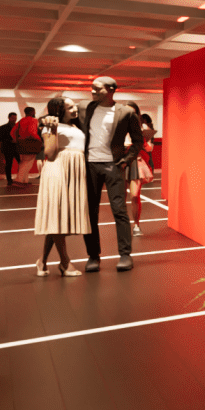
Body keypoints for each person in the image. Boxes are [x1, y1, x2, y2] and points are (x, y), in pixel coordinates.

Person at [79, 76, 143, 272]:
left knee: (119, 211)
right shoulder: (84, 108)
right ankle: (93, 256)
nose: (92, 91)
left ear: (111, 90)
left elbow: (137, 140)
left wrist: (126, 160)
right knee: (90, 213)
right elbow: (62, 118)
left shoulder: (126, 112)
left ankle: (125, 255)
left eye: (97, 89)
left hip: (113, 166)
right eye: (92, 88)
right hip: (89, 165)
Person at [34, 97, 88, 278]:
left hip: (74, 170)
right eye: (69, 107)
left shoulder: (75, 126)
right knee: (58, 217)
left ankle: (42, 260)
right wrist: (52, 128)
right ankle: (65, 262)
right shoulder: (50, 125)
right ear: (58, 110)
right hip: (58, 168)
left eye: (74, 106)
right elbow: (49, 153)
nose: (74, 109)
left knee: (57, 218)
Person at [124, 103, 155, 237]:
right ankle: (123, 226)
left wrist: (146, 144)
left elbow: (149, 148)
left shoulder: (141, 129)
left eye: (133, 112)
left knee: (135, 196)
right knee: (120, 199)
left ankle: (136, 225)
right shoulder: (117, 127)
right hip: (121, 162)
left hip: (135, 163)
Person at [13, 106, 43, 185]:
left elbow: (12, 132)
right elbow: (31, 132)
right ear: (32, 112)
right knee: (27, 163)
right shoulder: (33, 120)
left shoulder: (21, 120)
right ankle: (18, 180)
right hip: (30, 143)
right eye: (34, 111)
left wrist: (17, 140)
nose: (35, 113)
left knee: (23, 161)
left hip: (21, 143)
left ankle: (24, 180)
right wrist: (39, 140)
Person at [0, 111, 18, 184]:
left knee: (22, 164)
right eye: (13, 118)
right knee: (9, 164)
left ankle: (20, 178)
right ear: (9, 118)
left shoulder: (18, 127)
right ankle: (9, 180)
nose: (14, 119)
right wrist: (10, 141)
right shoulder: (3, 127)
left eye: (15, 118)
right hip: (8, 148)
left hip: (17, 148)